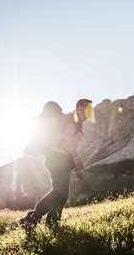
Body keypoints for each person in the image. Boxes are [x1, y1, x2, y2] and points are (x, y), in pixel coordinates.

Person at [19, 98, 94, 229]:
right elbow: (67, 138)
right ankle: (31, 219)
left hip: (59, 158)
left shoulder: (76, 121)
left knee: (62, 194)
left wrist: (76, 169)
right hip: (58, 157)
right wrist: (76, 158)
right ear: (81, 108)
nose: (91, 112)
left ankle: (52, 223)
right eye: (89, 108)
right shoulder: (75, 119)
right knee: (59, 192)